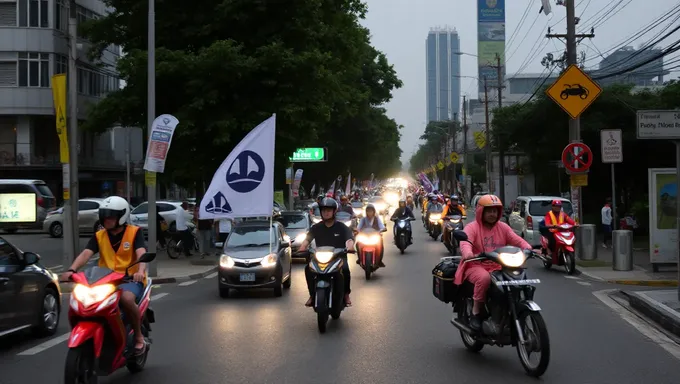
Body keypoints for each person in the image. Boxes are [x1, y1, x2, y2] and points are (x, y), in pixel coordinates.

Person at [60, 196, 148, 355]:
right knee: (82, 300)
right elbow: (86, 254)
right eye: (105, 216)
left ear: (121, 216)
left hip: (129, 279)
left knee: (126, 299)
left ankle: (139, 337)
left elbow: (141, 253)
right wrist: (72, 270)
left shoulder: (135, 233)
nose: (107, 220)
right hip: (104, 280)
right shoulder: (99, 235)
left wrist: (140, 272)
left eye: (111, 216)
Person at [454, 194, 532, 331]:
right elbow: (465, 242)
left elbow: (516, 239)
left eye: (495, 211)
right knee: (484, 279)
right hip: (476, 264)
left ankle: (513, 308)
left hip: (499, 265)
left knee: (520, 277)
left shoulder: (503, 227)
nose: (492, 214)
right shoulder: (472, 227)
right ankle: (476, 312)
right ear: (481, 211)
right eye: (489, 211)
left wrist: (528, 249)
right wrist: (468, 254)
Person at [299, 197, 354, 307]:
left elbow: (349, 239)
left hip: (338, 257)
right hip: (319, 258)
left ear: (334, 211)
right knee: (308, 269)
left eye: (329, 210)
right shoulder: (316, 227)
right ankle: (312, 295)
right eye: (324, 210)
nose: (326, 213)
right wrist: (302, 247)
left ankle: (346, 294)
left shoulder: (342, 227)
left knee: (345, 270)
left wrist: (350, 247)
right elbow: (307, 239)